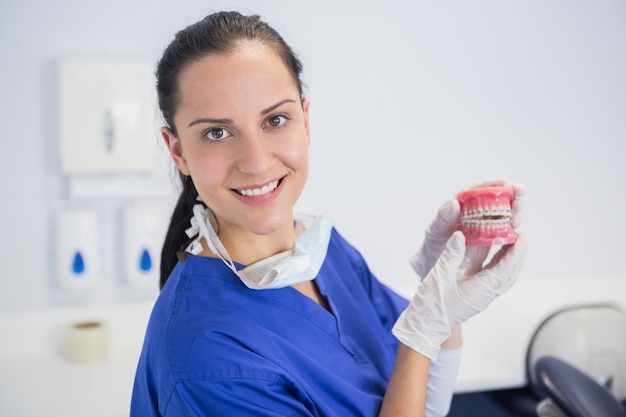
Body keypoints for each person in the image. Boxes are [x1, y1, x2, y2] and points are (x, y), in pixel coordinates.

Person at [130, 11, 528, 417]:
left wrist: (440, 305)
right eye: (217, 132)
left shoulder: (321, 251)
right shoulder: (208, 360)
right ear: (177, 150)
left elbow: (421, 401)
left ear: (305, 121)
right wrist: (422, 330)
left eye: (275, 120)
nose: (255, 162)